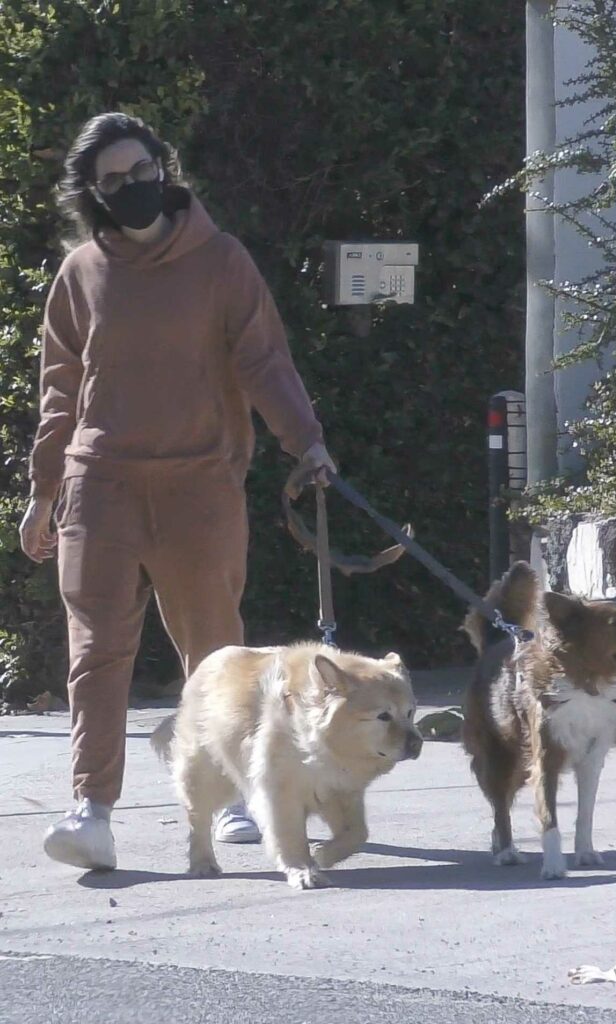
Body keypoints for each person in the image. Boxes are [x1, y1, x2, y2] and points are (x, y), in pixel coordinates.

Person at [19, 112, 335, 870]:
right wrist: (42, 490)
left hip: (199, 482)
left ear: (164, 168)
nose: (132, 187)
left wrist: (307, 442)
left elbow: (264, 360)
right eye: (114, 181)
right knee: (96, 649)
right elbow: (59, 390)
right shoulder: (80, 273)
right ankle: (90, 810)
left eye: (141, 170)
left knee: (212, 648)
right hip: (101, 485)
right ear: (93, 194)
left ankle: (229, 797)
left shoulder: (221, 261)